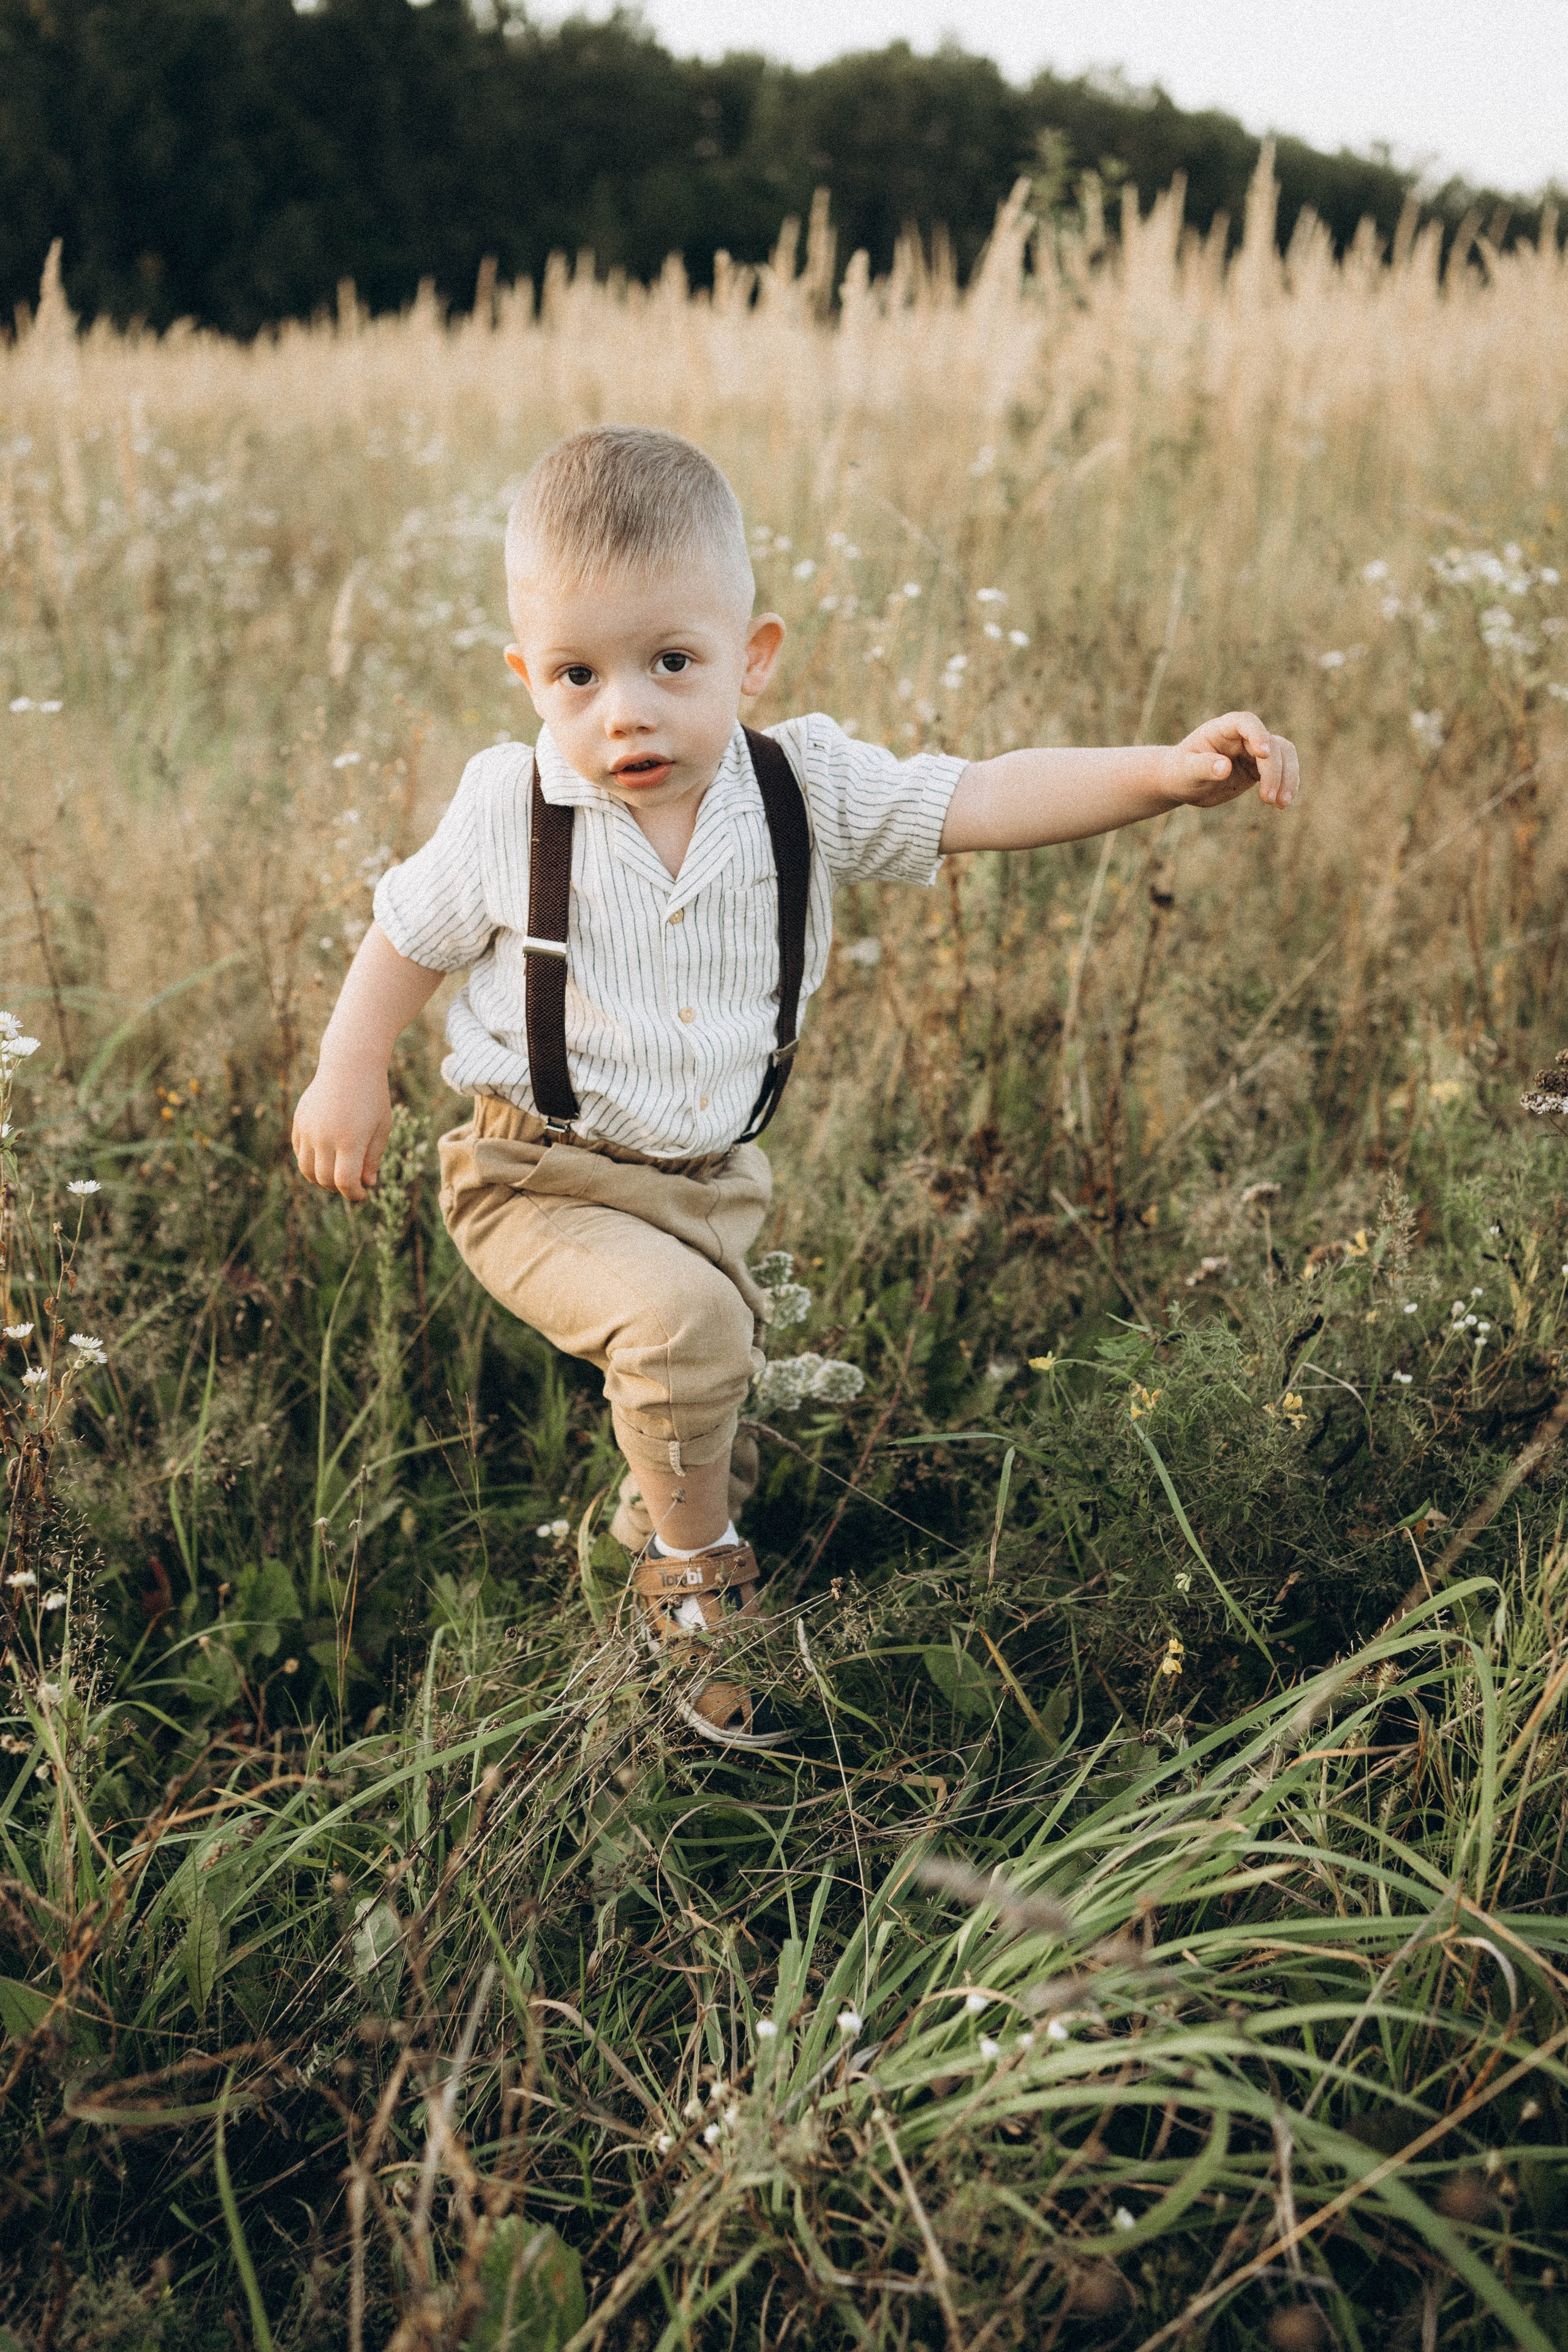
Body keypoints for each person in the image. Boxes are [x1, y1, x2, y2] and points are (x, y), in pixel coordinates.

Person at [292, 424, 1299, 1749]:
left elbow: (981, 797)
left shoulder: (800, 786)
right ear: (526, 676)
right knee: (685, 1341)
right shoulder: (506, 808)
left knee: (708, 1391)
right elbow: (406, 937)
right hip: (530, 1172)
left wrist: (1162, 777)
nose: (626, 711)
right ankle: (695, 1596)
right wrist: (347, 1067)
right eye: (577, 675)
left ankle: (649, 1515)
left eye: (670, 663)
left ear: (749, 657)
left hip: (715, 1184)